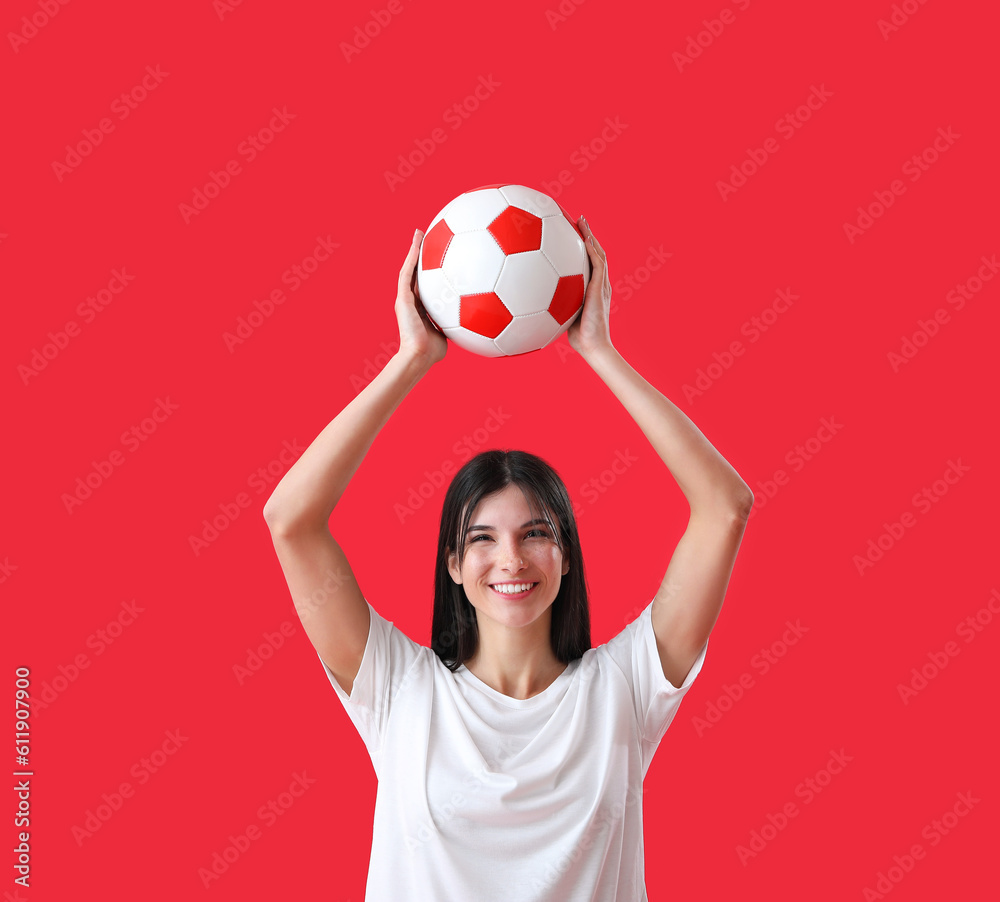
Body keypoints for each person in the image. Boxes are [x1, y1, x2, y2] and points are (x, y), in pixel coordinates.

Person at [262, 217, 754, 901]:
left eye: (536, 533)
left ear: (568, 557)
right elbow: (290, 522)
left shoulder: (624, 689)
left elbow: (724, 506)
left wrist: (601, 352)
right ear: (453, 565)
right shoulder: (400, 690)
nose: (511, 560)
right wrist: (410, 360)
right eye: (482, 538)